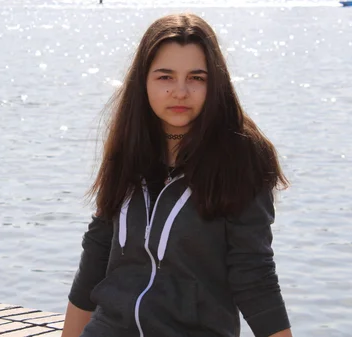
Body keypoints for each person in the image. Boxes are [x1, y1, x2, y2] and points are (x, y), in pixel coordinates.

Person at [61, 13, 293, 337]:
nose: (180, 92)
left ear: (216, 83)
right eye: (165, 77)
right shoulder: (129, 148)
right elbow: (96, 255)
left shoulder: (243, 158)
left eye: (197, 77)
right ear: (143, 81)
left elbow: (254, 276)